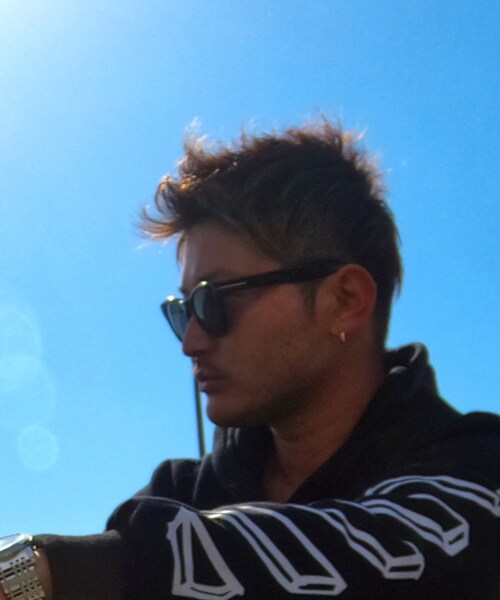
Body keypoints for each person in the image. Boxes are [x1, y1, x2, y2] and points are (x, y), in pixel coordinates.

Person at [1, 119, 499, 600]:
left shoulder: (477, 470)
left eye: (214, 301)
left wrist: (56, 570)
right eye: (183, 310)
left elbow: (391, 556)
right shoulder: (179, 493)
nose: (191, 342)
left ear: (345, 300)